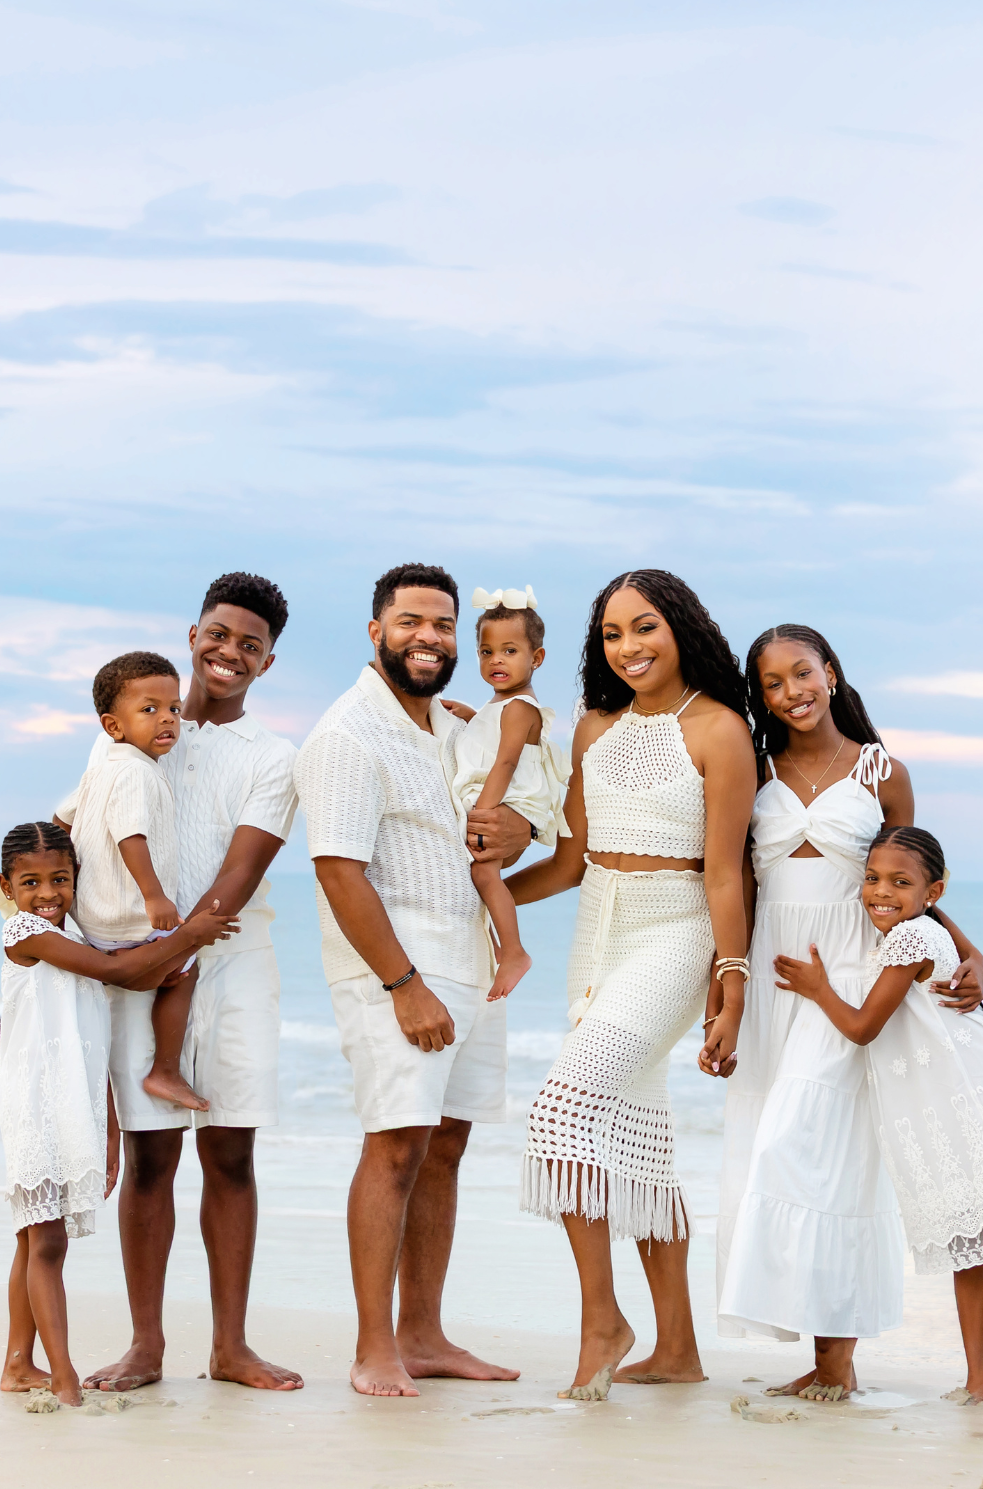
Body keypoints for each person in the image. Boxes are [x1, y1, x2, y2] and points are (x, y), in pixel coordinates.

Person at [714, 625, 982, 1401]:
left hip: (848, 977)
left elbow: (915, 881)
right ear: (759, 695)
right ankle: (827, 1356)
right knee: (774, 1145)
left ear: (829, 673)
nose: (790, 691)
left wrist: (969, 952)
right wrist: (724, 998)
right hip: (774, 973)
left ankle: (837, 1356)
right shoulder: (753, 765)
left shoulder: (880, 768)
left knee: (826, 1155)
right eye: (771, 683)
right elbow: (735, 887)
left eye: (802, 672)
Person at [507, 569, 756, 1401]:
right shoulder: (594, 726)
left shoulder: (719, 729)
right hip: (598, 935)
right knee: (641, 1146)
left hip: (676, 932)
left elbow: (725, 875)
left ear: (681, 626)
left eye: (644, 627)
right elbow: (574, 862)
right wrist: (491, 894)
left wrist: (731, 987)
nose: (629, 647)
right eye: (612, 634)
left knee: (561, 1107)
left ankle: (602, 1321)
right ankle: (678, 1347)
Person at [55, 572, 302, 1393]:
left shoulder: (273, 757)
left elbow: (244, 864)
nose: (230, 652)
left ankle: (230, 1345)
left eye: (251, 645)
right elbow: (75, 825)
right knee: (152, 1154)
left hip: (230, 968)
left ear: (267, 663)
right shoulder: (133, 731)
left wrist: (183, 941)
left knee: (231, 1151)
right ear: (193, 633)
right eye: (220, 634)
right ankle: (147, 1344)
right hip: (139, 969)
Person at [294, 562, 531, 1398]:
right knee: (395, 1143)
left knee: (447, 1147)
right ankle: (373, 1348)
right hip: (398, 966)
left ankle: (423, 1332)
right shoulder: (347, 734)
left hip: (468, 957)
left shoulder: (446, 727)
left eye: (441, 625)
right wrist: (404, 984)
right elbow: (338, 871)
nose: (428, 637)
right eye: (409, 622)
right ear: (375, 632)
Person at [0, 821, 237, 1406]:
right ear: (6, 887)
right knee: (47, 1240)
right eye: (31, 882)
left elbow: (93, 1044)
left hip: (72, 1104)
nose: (47, 893)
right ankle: (64, 1377)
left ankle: (17, 1364)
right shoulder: (24, 932)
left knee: (35, 1240)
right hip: (35, 1105)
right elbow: (117, 972)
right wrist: (193, 935)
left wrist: (106, 1133)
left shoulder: (74, 932)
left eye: (60, 879)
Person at [774, 826, 983, 1406]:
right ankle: (978, 1381)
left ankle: (980, 1382)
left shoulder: (910, 939)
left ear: (932, 891)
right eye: (871, 879)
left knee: (974, 1251)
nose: (880, 892)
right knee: (973, 1253)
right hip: (951, 1102)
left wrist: (818, 989)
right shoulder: (925, 931)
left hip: (959, 1110)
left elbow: (864, 1029)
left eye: (900, 882)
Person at [71, 651, 206, 1112]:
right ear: (113, 725)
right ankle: (165, 1071)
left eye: (174, 708)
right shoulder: (134, 772)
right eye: (149, 710)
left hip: (93, 921)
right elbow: (131, 835)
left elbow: (61, 818)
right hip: (128, 921)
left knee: (167, 968)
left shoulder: (103, 768)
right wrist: (155, 896)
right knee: (186, 967)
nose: (167, 719)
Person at [444, 586, 570, 1000]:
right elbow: (490, 734)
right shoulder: (502, 705)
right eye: (486, 652)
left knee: (483, 873)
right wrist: (471, 714)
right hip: (503, 797)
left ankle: (514, 952)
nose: (496, 660)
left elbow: (506, 762)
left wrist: (482, 811)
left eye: (510, 651)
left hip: (506, 800)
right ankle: (499, 945)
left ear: (536, 658)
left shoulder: (519, 707)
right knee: (481, 877)